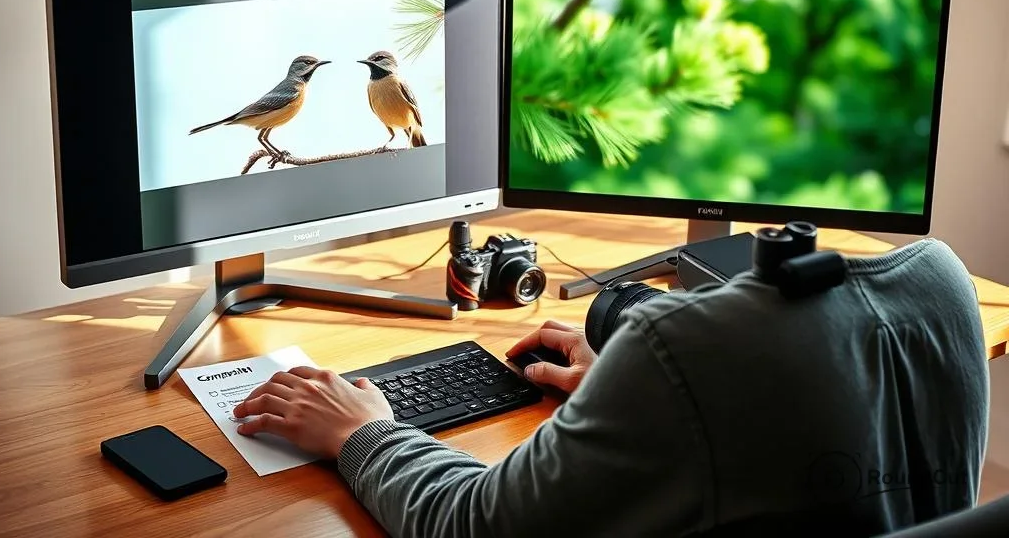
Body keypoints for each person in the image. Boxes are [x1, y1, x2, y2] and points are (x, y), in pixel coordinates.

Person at [233, 238, 989, 537]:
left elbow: (469, 526)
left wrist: (364, 431)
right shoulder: (945, 286)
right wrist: (638, 390)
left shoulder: (679, 352)